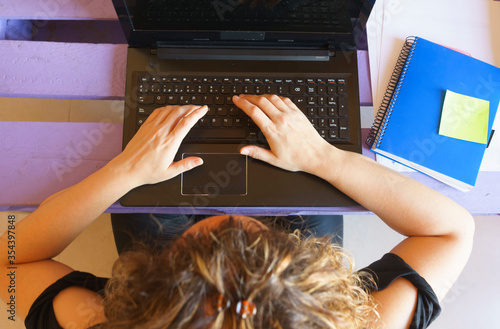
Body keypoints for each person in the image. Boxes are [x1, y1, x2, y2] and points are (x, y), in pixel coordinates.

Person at [0, 94, 474, 329]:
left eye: (206, 242)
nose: (227, 218)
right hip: (259, 270)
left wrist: (124, 172)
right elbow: (452, 232)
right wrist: (321, 157)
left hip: (193, 280)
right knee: (308, 189)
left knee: (145, 200)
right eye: (252, 239)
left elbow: (10, 259)